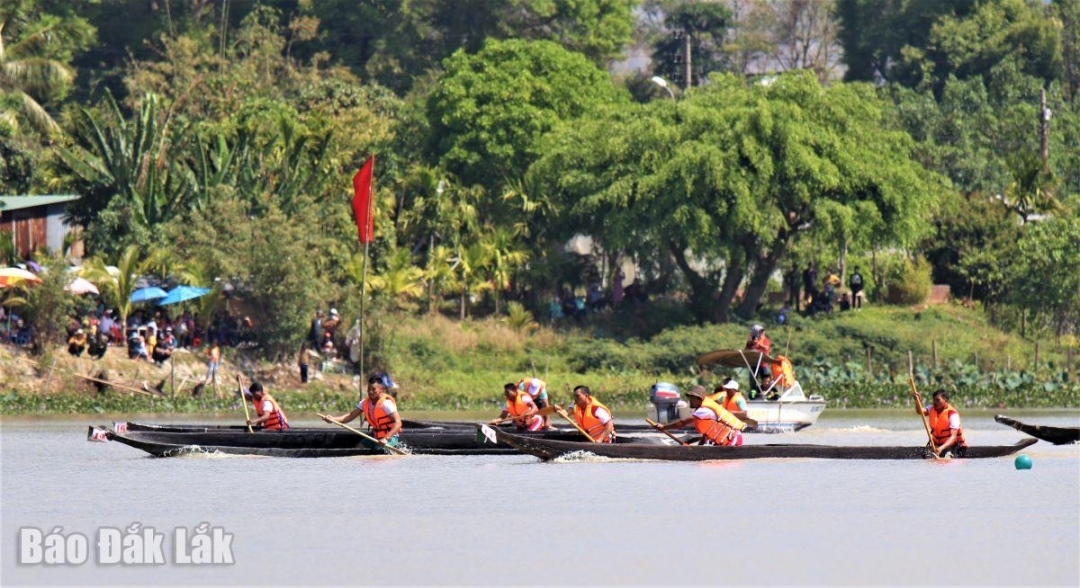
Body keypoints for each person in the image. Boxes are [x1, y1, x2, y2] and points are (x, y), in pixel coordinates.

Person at [325, 375, 403, 448]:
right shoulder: (364, 403)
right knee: (359, 447)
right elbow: (349, 417)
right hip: (375, 437)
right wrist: (333, 419)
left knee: (379, 452)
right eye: (368, 389)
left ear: (380, 390)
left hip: (390, 437)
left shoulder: (386, 404)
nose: (370, 392)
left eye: (373, 389)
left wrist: (386, 438)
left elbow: (398, 423)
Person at [658, 386, 746, 446]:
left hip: (732, 439)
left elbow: (682, 423)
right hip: (729, 439)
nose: (690, 400)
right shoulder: (703, 411)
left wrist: (663, 427)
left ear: (699, 399)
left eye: (692, 398)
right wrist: (698, 447)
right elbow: (706, 434)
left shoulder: (704, 410)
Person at [912, 389, 968, 457]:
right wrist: (917, 401)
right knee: (928, 457)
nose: (935, 402)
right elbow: (919, 411)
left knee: (948, 457)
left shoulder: (952, 414)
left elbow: (953, 437)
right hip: (937, 445)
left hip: (953, 446)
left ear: (945, 399)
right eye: (934, 400)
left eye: (938, 400)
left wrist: (941, 448)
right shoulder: (931, 408)